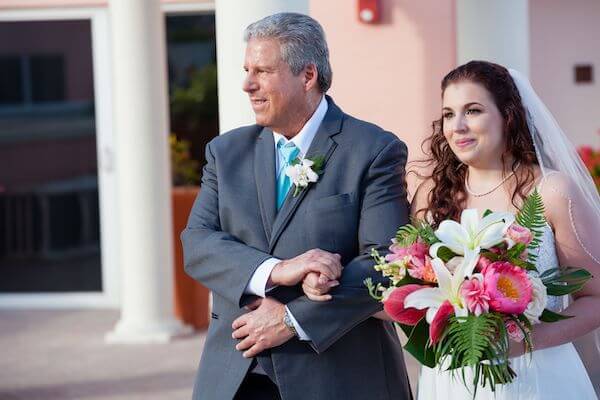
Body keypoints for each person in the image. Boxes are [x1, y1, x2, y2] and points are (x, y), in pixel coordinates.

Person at [181, 12, 412, 400]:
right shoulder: (225, 152)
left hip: (339, 376)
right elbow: (198, 242)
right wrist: (279, 271)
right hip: (238, 373)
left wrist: (291, 319)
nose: (247, 84)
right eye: (246, 70)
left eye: (262, 71)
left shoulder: (374, 150)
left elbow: (385, 261)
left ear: (307, 76)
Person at [409, 61, 600, 399]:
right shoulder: (432, 195)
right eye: (449, 114)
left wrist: (523, 341)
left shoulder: (552, 191)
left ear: (507, 115)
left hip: (536, 376)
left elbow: (595, 298)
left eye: (473, 110)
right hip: (449, 379)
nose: (458, 126)